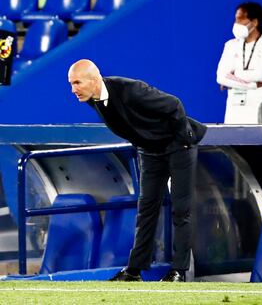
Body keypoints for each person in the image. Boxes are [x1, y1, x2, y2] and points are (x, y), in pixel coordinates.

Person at [68, 59, 207, 282]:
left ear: (94, 80)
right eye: (71, 84)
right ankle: (135, 270)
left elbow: (174, 104)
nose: (73, 89)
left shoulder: (131, 90)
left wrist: (184, 139)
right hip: (150, 150)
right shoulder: (91, 98)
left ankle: (179, 271)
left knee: (181, 209)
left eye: (77, 83)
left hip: (177, 145)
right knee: (146, 209)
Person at [216, 1, 262, 124]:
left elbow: (261, 75)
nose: (236, 24)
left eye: (241, 19)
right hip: (234, 118)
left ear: (254, 22)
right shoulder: (230, 45)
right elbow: (221, 77)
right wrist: (254, 85)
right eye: (235, 19)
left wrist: (233, 76)